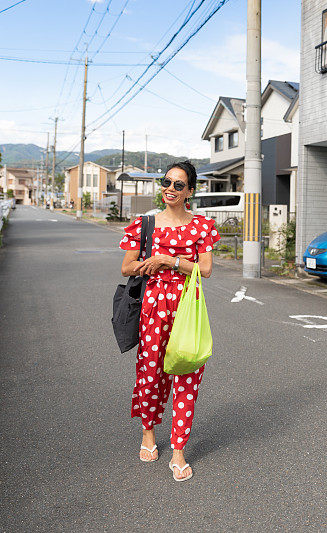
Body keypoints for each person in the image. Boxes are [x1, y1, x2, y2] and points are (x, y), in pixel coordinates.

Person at [119, 161, 219, 481]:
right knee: (150, 374)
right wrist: (149, 264)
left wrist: (169, 261)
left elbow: (204, 269)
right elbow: (126, 267)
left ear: (190, 191)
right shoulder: (144, 223)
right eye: (167, 182)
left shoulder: (201, 226)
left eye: (179, 185)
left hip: (187, 306)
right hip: (152, 305)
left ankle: (178, 450)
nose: (170, 189)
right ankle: (148, 432)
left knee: (187, 374)